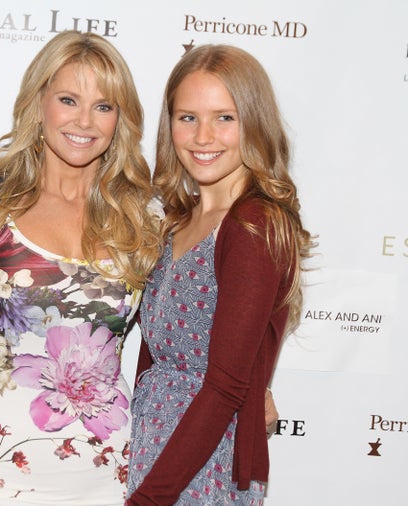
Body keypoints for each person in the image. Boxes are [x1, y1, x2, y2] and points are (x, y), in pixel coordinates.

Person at [0, 31, 163, 505]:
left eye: (104, 106)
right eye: (68, 99)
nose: (84, 121)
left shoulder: (146, 218)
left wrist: (257, 387)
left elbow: (197, 320)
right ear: (39, 101)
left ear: (121, 119)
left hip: (107, 471)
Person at [126, 44, 313, 505]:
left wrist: (149, 500)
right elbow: (152, 357)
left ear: (253, 122)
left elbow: (226, 385)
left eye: (224, 117)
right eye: (187, 117)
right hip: (155, 450)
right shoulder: (178, 220)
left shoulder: (254, 225)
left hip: (202, 463)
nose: (203, 135)